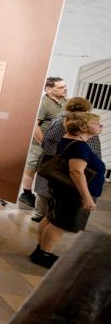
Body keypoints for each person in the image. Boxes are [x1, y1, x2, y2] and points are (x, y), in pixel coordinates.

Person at [31, 112, 105, 268]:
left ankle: (41, 250)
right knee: (60, 223)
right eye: (97, 123)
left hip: (64, 189)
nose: (101, 126)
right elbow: (76, 171)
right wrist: (86, 197)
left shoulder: (69, 139)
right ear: (84, 127)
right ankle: (45, 255)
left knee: (52, 218)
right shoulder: (80, 146)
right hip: (74, 192)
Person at [31, 96, 99, 222]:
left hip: (50, 160)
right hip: (71, 165)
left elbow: (46, 141)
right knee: (61, 198)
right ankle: (53, 218)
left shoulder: (58, 120)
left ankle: (39, 214)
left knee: (44, 188)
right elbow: (93, 149)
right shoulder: (84, 124)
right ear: (86, 109)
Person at [19, 77, 68, 207]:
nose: (65, 89)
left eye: (65, 86)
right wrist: (43, 143)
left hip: (56, 143)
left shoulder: (64, 100)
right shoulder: (43, 103)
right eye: (60, 87)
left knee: (49, 169)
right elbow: (35, 126)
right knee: (32, 168)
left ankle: (46, 195)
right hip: (41, 143)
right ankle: (26, 193)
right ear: (48, 89)